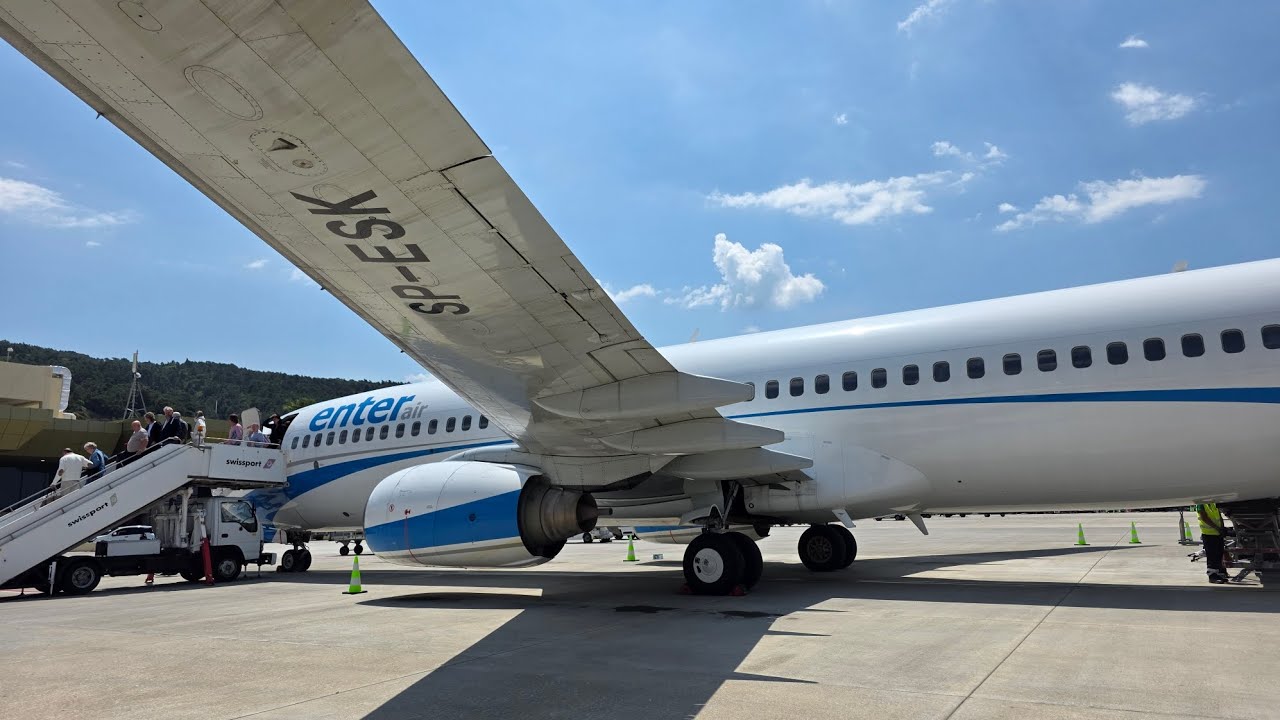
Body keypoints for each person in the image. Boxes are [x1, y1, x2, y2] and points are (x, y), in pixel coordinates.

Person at [1198, 502, 1228, 584]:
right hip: (1208, 534)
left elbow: (1219, 516)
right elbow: (1204, 517)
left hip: (1218, 533)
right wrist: (1217, 528)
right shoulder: (1200, 504)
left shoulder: (1213, 503)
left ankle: (1219, 572)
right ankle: (1212, 575)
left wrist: (1222, 527)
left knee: (1219, 553)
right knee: (1212, 555)